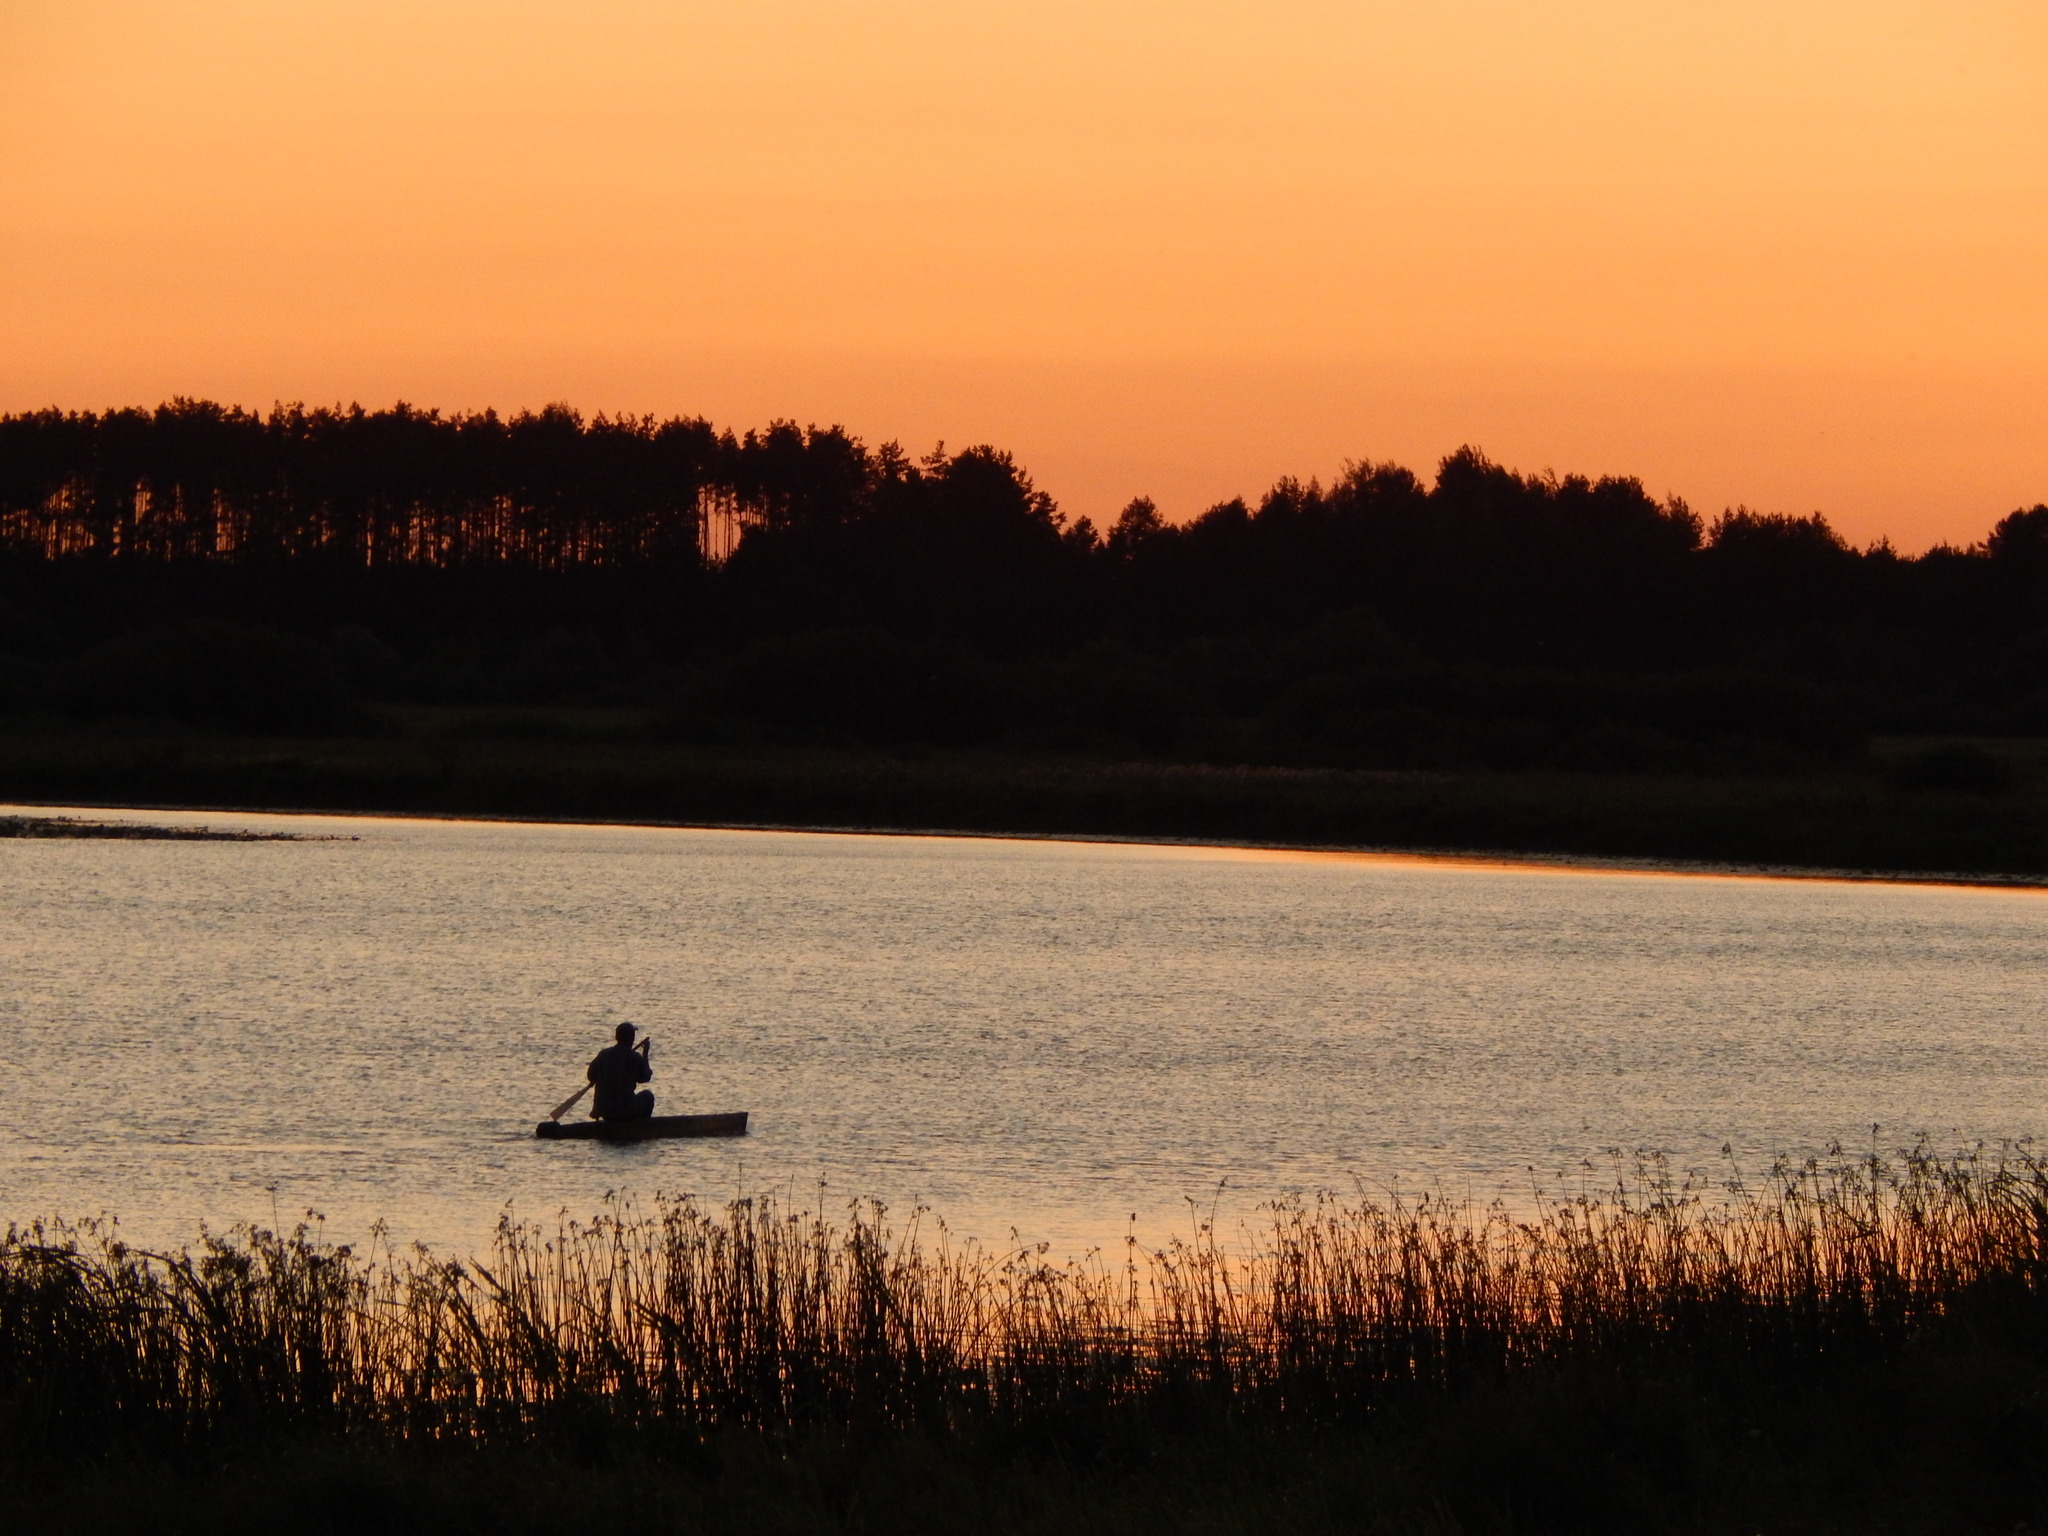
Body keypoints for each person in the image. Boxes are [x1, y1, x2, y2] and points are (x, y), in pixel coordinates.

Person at [587, 1021, 654, 1121]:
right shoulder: (634, 1057)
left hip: (603, 1111)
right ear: (632, 1038)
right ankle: (639, 1129)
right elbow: (645, 1077)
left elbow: (590, 1076)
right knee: (648, 1096)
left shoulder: (603, 1054)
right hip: (624, 1110)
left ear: (617, 1037)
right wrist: (645, 1054)